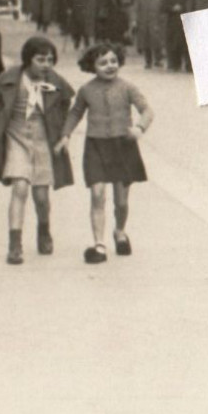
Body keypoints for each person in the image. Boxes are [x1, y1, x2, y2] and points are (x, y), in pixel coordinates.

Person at [0, 35, 76, 265]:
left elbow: (67, 102)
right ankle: (14, 245)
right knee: (20, 188)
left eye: (50, 60)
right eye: (41, 59)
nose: (46, 64)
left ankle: (44, 230)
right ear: (28, 59)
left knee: (41, 196)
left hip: (43, 140)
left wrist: (62, 132)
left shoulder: (54, 80)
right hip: (16, 138)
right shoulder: (9, 78)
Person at [60, 41, 154, 264]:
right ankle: (99, 245)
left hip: (123, 146)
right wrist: (65, 135)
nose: (109, 66)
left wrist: (139, 128)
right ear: (92, 66)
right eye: (103, 63)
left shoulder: (127, 87)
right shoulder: (86, 90)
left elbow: (147, 110)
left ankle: (119, 231)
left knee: (121, 201)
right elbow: (75, 113)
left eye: (113, 61)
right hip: (96, 146)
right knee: (97, 194)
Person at [132, 0, 166, 68]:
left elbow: (163, 10)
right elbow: (135, 9)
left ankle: (158, 60)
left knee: (157, 42)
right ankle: (148, 61)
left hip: (156, 23)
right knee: (146, 43)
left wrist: (161, 21)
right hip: (143, 23)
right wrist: (134, 20)